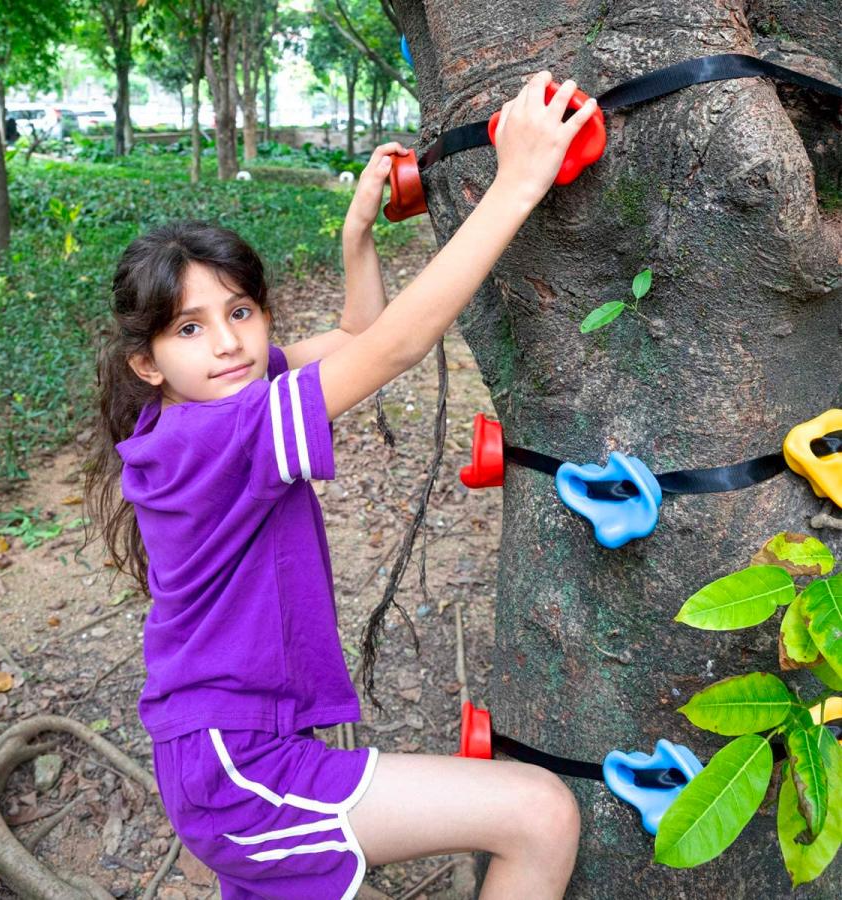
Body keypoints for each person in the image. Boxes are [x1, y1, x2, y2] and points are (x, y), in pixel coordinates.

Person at [84, 70, 598, 900]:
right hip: (239, 765)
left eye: (242, 311)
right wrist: (518, 182)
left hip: (226, 749)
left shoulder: (217, 403)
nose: (228, 343)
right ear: (148, 364)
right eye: (191, 327)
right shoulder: (220, 431)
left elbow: (358, 334)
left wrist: (359, 232)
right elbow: (393, 349)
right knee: (540, 812)